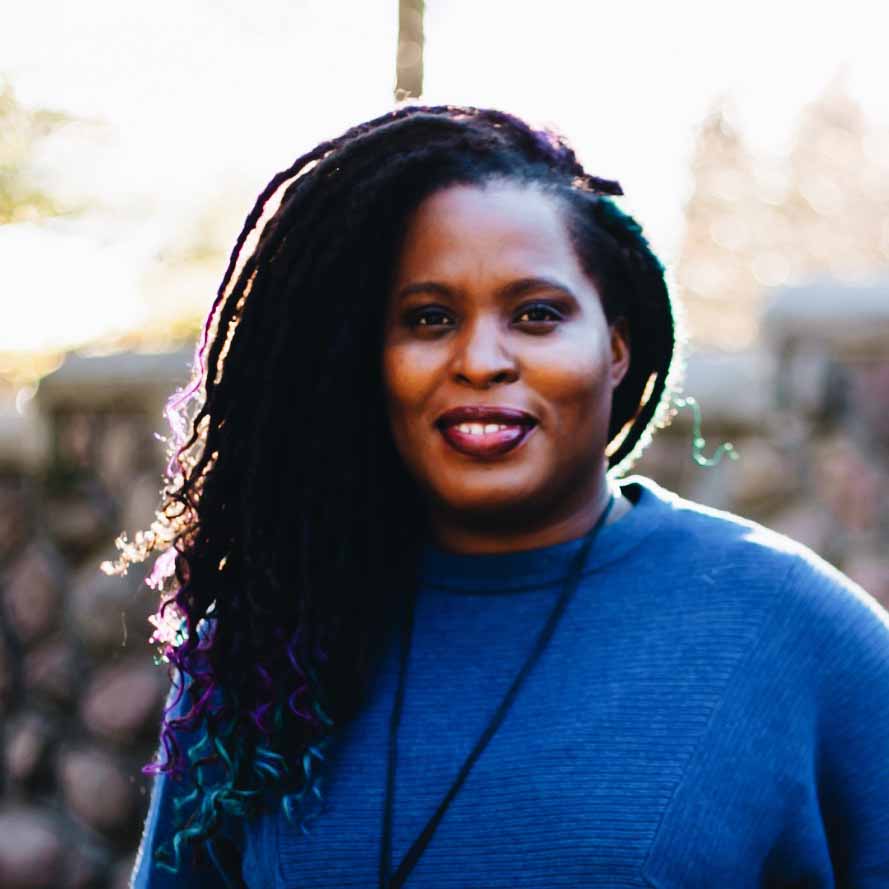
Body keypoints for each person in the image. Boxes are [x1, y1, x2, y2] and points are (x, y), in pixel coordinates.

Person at [116, 105, 889, 888]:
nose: (481, 359)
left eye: (536, 315)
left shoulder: (790, 627)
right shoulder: (270, 637)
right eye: (428, 318)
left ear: (615, 349)